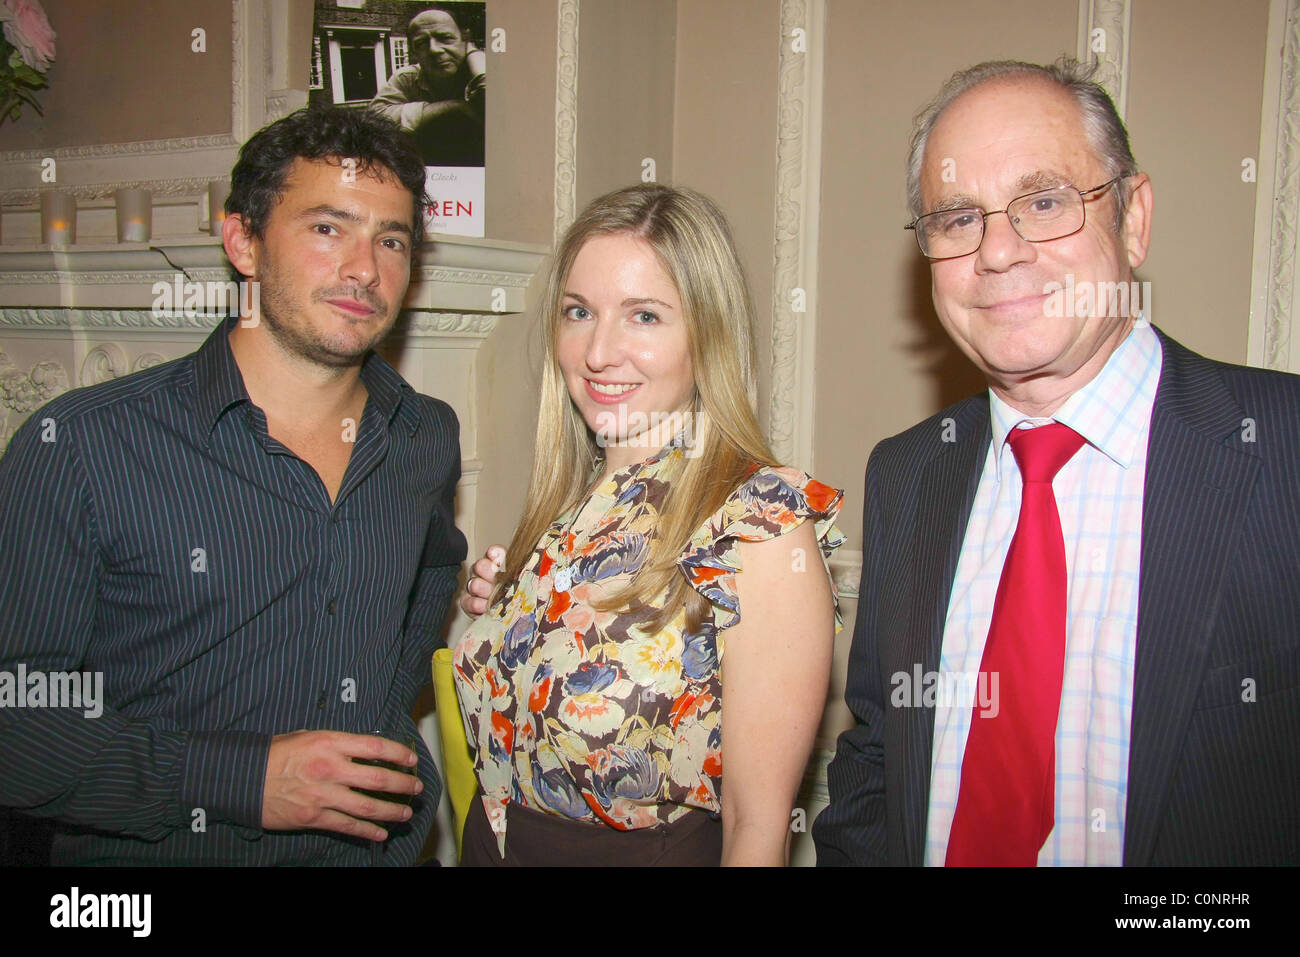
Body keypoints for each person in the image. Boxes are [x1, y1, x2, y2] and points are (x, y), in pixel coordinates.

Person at [813, 58, 1300, 866]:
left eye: (1044, 202)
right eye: (957, 218)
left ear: (1133, 218)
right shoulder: (906, 475)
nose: (999, 253)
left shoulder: (1282, 450)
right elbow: (876, 758)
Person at [0, 106, 468, 865]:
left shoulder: (425, 435)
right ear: (244, 242)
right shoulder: (81, 445)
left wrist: (386, 717)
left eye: (391, 240)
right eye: (328, 227)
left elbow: (431, 577)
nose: (364, 268)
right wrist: (242, 778)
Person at [454, 183, 845, 866]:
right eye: (579, 311)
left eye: (643, 316)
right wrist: (510, 621)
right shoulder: (569, 504)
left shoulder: (758, 522)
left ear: (708, 333)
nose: (598, 351)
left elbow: (756, 829)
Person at [370, 5, 485, 167]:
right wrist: (453, 106)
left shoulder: (480, 69)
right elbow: (373, 121)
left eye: (445, 38)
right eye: (422, 43)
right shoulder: (407, 78)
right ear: (414, 53)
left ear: (465, 40)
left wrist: (475, 54)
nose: (434, 50)